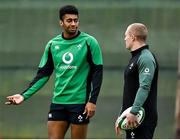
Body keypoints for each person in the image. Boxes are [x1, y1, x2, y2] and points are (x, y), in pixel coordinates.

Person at [5, 5, 103, 139]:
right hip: (58, 102)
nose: (73, 24)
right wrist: (23, 96)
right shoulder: (52, 44)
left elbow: (98, 73)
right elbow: (43, 75)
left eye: (76, 20)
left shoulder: (89, 42)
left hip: (80, 103)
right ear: (61, 23)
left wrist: (92, 101)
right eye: (69, 20)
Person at [115, 23, 159, 139]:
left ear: (133, 37)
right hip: (132, 117)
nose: (124, 39)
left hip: (142, 119)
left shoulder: (146, 58)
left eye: (126, 35)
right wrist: (122, 115)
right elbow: (130, 90)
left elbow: (144, 87)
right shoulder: (135, 57)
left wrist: (134, 111)